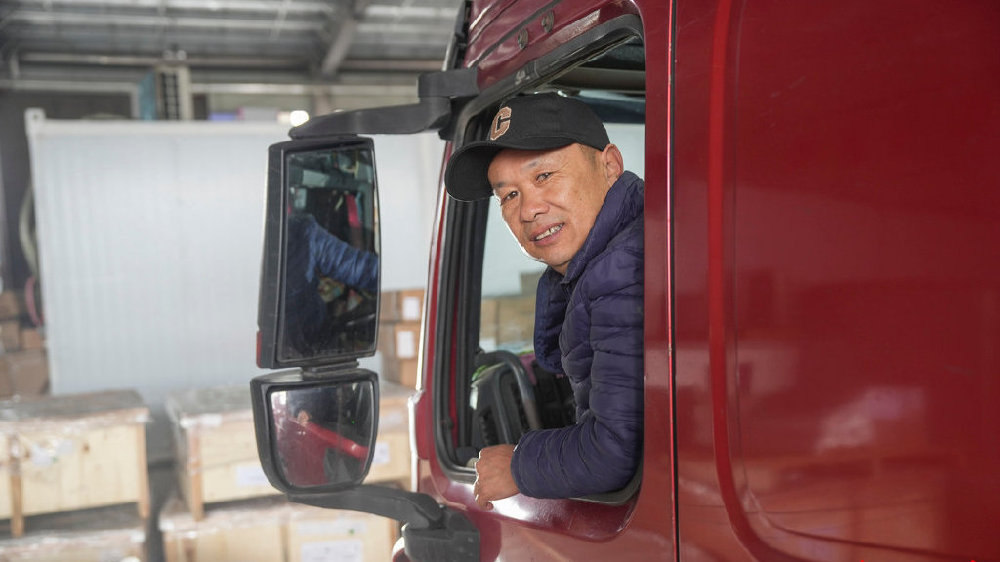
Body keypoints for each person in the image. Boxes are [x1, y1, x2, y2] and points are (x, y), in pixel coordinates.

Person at [444, 93, 644, 507]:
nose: (529, 209)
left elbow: (615, 451)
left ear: (609, 165)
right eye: (509, 195)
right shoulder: (596, 263)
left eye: (544, 176)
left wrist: (517, 466)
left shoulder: (621, 272)